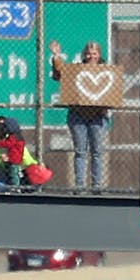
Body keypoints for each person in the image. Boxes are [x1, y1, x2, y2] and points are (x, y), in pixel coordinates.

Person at [51, 39, 109, 192]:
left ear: (99, 55)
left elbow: (113, 91)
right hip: (78, 115)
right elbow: (60, 73)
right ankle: (79, 186)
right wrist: (56, 56)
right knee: (80, 152)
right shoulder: (77, 69)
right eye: (89, 54)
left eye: (94, 53)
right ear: (85, 55)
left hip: (98, 116)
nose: (91, 56)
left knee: (97, 152)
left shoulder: (107, 71)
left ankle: (97, 186)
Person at [0, 116, 37, 186]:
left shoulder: (13, 139)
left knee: (16, 174)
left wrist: (9, 158)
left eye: (3, 126)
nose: (1, 128)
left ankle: (15, 188)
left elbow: (26, 159)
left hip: (14, 167)